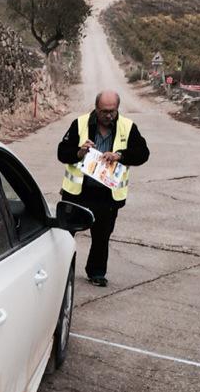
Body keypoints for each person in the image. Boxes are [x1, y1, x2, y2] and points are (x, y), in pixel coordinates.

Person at [57, 91, 150, 287]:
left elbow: (143, 154)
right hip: (78, 193)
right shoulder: (80, 124)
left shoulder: (127, 126)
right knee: (66, 235)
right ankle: (60, 272)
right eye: (104, 112)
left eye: (112, 111)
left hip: (107, 196)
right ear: (96, 109)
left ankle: (96, 273)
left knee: (101, 237)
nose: (108, 115)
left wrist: (121, 156)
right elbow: (62, 153)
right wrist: (79, 152)